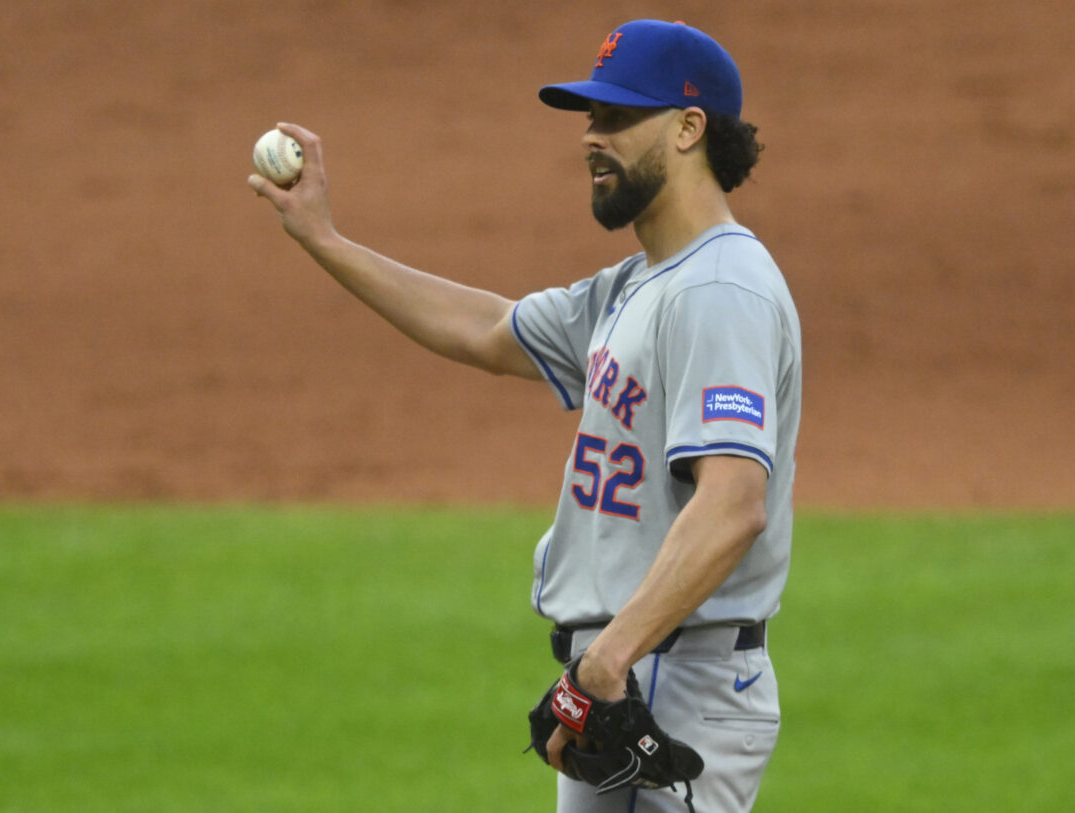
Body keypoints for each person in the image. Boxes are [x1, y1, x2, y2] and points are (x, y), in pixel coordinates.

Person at [249, 18, 801, 813]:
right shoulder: (636, 285)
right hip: (624, 670)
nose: (590, 137)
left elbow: (732, 505)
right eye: (590, 117)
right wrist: (324, 238)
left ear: (689, 129)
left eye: (616, 117)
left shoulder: (719, 290)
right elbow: (484, 327)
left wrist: (605, 662)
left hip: (672, 671)